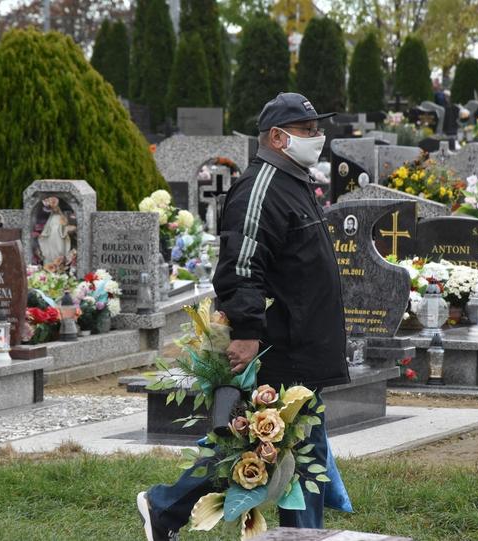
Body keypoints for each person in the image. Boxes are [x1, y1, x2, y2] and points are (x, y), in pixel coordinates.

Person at [137, 93, 352, 541]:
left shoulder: (291, 181)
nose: (318, 137)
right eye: (309, 130)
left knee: (296, 452)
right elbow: (240, 267)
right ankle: (164, 505)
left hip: (302, 344)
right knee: (257, 446)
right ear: (277, 137)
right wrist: (249, 331)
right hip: (280, 344)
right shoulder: (261, 188)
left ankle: (301, 535)